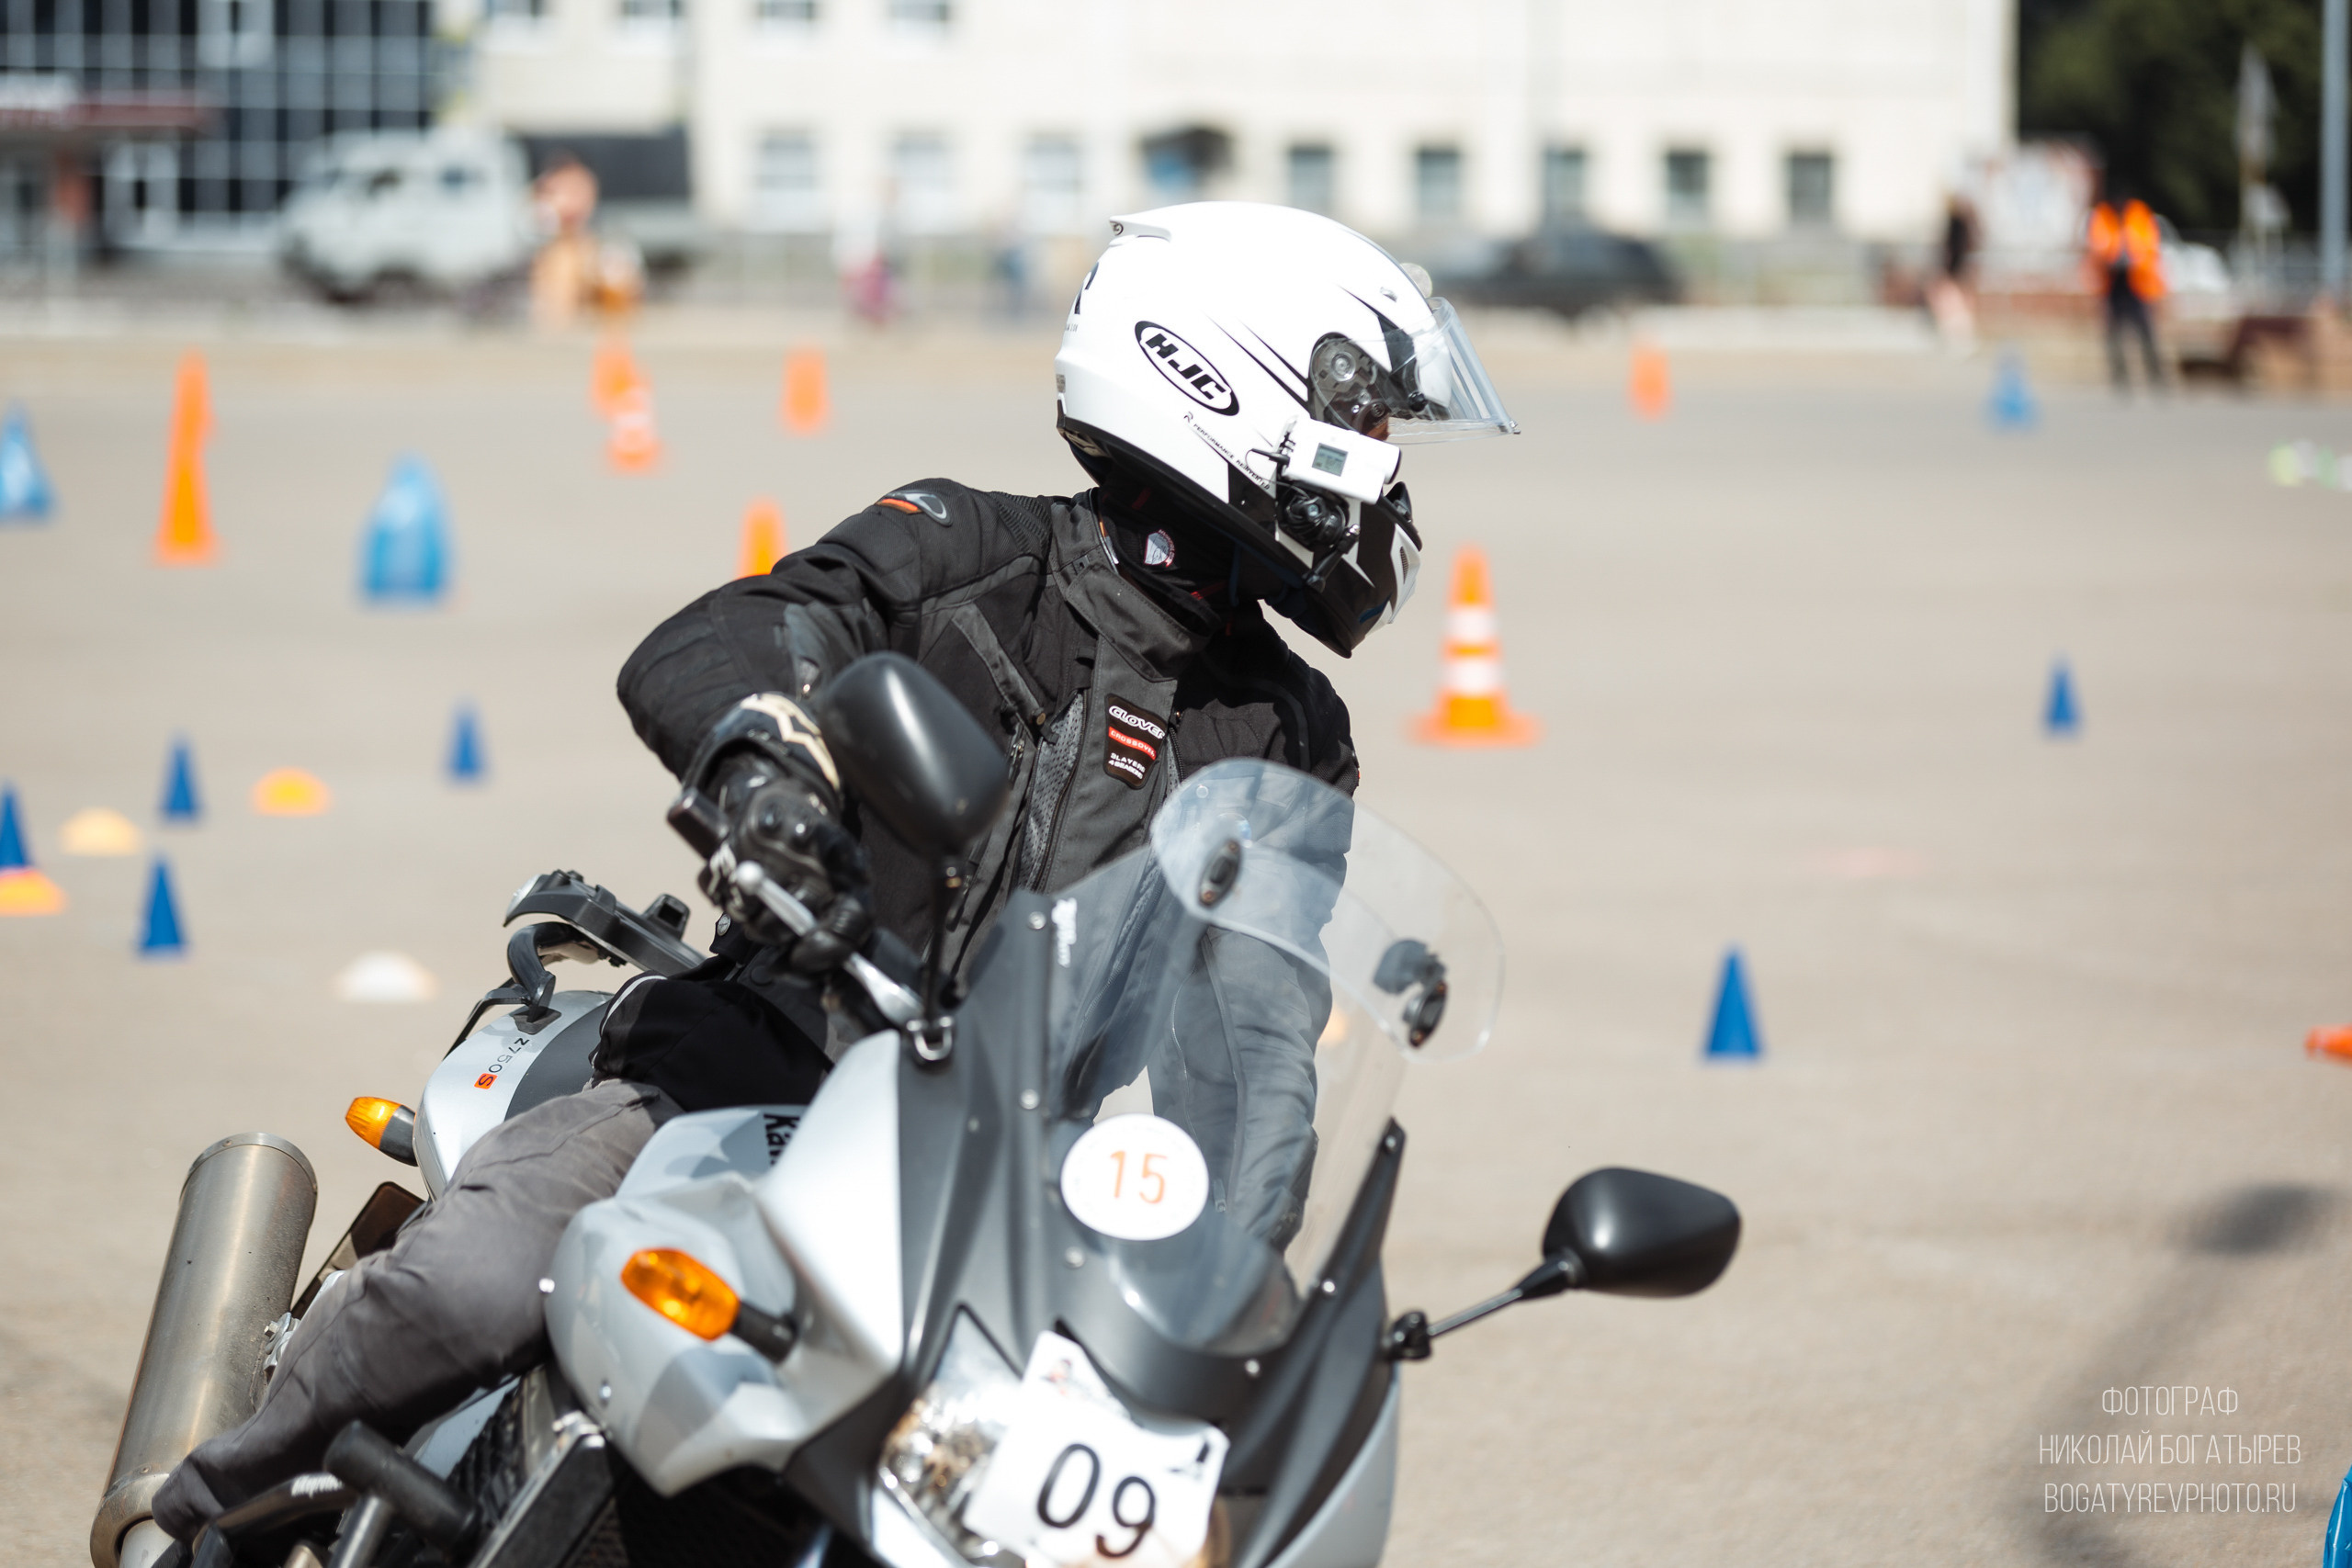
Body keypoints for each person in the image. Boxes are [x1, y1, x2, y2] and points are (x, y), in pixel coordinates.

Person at [146, 201, 1517, 1545]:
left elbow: (1261, 1038)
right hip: (749, 1071)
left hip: (1012, 1190)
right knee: (475, 1279)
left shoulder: (1290, 735)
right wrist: (770, 772)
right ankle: (205, 1516)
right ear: (1223, 379)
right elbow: (722, 638)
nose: (1386, 470)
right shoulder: (966, 547)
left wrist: (1237, 1291)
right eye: (1373, 420)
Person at [2086, 188, 2167, 390]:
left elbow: (2148, 245)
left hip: (2137, 283)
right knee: (2114, 332)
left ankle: (2155, 377)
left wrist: (2133, 258)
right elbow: (2097, 245)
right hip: (2113, 283)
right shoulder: (2102, 216)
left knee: (2145, 331)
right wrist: (2110, 258)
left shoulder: (2139, 214)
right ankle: (2120, 378)